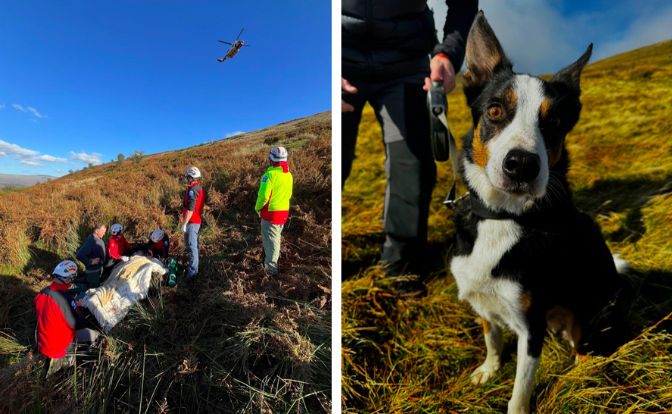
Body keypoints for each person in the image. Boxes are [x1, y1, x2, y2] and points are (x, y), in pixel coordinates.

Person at [341, 0, 478, 275]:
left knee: (412, 166)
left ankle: (401, 267)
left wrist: (448, 55)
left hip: (406, 64)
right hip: (339, 61)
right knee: (332, 161)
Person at [35, 260, 100, 374]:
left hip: (44, 342)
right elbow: (79, 324)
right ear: (67, 279)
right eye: (70, 279)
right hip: (59, 346)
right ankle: (76, 361)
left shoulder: (41, 293)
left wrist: (72, 304)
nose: (70, 282)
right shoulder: (65, 299)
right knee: (95, 336)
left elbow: (54, 310)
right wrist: (78, 306)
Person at [255, 147, 293, 274]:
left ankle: (270, 269)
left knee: (271, 240)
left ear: (271, 159)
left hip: (271, 213)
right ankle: (272, 261)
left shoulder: (269, 175)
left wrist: (257, 207)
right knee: (275, 238)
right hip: (283, 212)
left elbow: (263, 196)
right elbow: (289, 194)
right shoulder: (288, 175)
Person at [181, 167, 205, 284]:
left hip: (192, 222)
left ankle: (192, 275)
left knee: (192, 247)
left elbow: (190, 208)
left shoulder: (193, 190)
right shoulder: (197, 188)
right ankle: (192, 267)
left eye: (187, 177)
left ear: (191, 177)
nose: (187, 179)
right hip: (193, 221)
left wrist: (184, 224)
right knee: (190, 246)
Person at [71, 223, 107, 294]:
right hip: (93, 271)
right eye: (102, 232)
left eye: (104, 232)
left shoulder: (98, 238)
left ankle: (72, 280)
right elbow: (79, 255)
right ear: (96, 231)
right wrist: (90, 261)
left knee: (89, 280)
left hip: (97, 269)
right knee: (92, 289)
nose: (104, 234)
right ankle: (70, 287)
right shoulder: (91, 241)